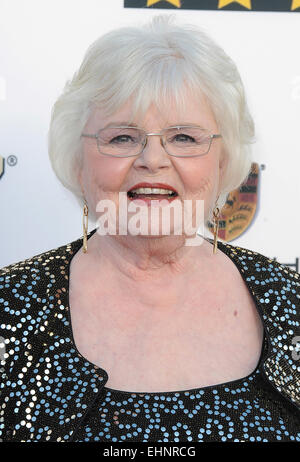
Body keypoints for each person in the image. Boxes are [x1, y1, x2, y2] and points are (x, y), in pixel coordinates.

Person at [0, 15, 299, 443]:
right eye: (122, 137)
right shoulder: (9, 310)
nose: (152, 160)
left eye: (184, 138)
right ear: (78, 160)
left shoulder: (291, 302)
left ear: (223, 161)